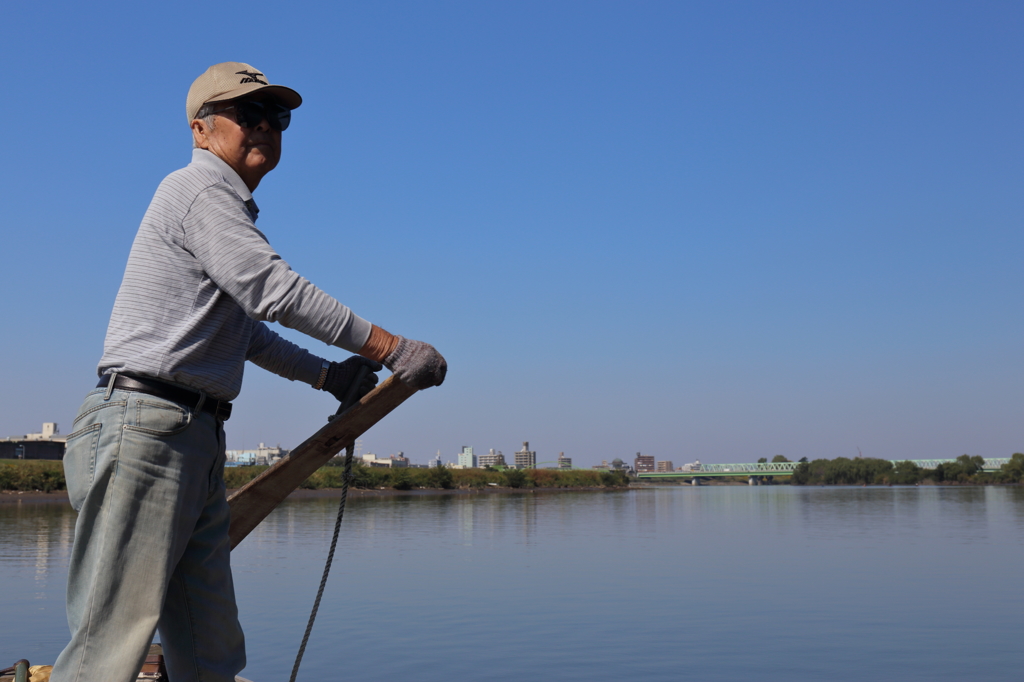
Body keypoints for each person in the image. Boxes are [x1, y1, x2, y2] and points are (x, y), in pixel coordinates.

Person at [50, 62, 446, 682]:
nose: (266, 127)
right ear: (201, 130)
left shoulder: (224, 210)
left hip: (189, 437)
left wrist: (327, 376)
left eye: (277, 117)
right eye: (248, 114)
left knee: (210, 649)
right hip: (147, 431)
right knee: (110, 650)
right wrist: (388, 347)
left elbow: (248, 331)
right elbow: (272, 291)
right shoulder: (199, 191)